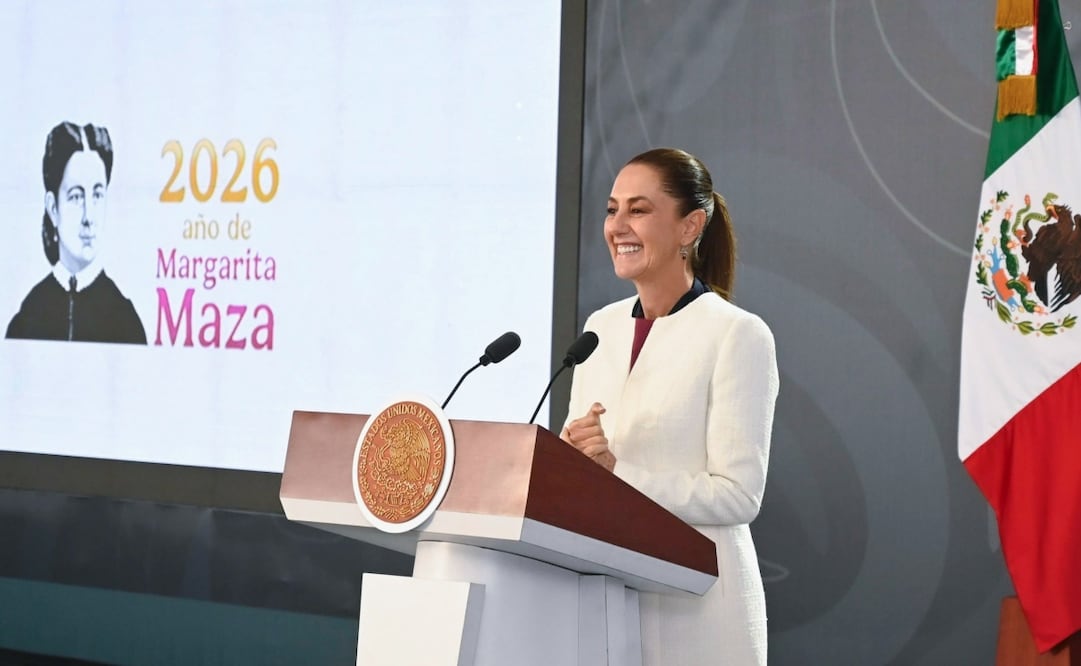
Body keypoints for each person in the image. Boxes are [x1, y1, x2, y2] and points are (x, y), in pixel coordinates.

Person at [562, 147, 778, 665]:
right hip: (609, 600)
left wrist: (617, 471)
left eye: (639, 210)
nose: (618, 225)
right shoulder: (600, 328)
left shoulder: (737, 334)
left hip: (700, 611)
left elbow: (737, 496)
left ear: (689, 226)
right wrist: (573, 458)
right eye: (612, 209)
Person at [6, 121, 146, 344]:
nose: (88, 217)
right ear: (53, 208)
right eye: (76, 197)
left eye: (97, 195)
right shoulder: (29, 317)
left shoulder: (124, 321)